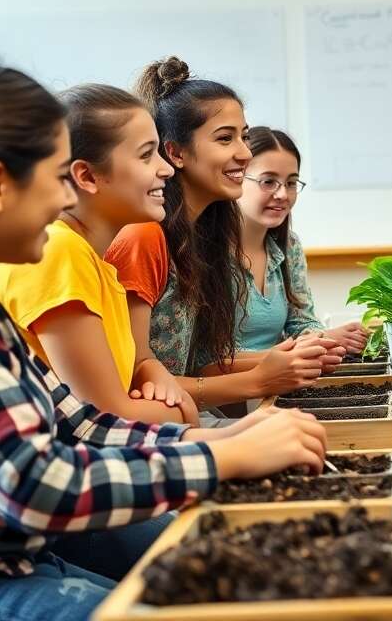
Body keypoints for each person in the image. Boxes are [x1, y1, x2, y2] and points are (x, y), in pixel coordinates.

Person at [0, 55, 330, 620]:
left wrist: (227, 438)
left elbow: (80, 423)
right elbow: (35, 483)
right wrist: (225, 458)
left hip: (9, 562)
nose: (67, 201)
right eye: (57, 177)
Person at [105, 57, 339, 412]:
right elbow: (137, 379)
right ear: (176, 153)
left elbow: (192, 366)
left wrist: (281, 358)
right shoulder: (145, 237)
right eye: (225, 138)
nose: (244, 153)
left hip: (183, 418)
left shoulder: (202, 240)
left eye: (244, 137)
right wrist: (262, 377)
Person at [0, 84, 196, 426]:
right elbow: (104, 422)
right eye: (146, 155)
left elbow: (123, 391)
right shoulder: (58, 252)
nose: (167, 169)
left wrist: (150, 370)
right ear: (87, 176)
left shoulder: (95, 262)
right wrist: (182, 409)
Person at [236, 125, 367, 354]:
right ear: (236, 178)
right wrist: (305, 346)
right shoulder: (208, 253)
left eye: (291, 183)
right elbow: (209, 357)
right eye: (268, 181)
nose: (283, 195)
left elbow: (301, 321)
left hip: (282, 380)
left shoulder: (289, 246)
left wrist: (325, 339)